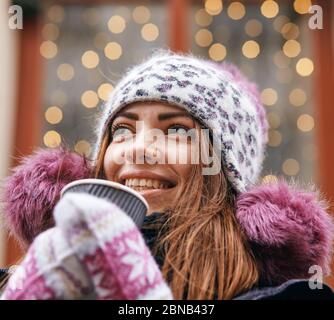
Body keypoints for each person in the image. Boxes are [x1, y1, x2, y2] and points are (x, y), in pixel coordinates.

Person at [1, 49, 334, 300]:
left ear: (220, 168)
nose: (138, 148)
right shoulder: (22, 283)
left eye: (176, 129)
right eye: (122, 130)